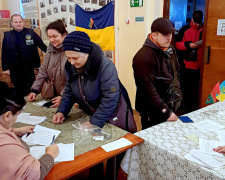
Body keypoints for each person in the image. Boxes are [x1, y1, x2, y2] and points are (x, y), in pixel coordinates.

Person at [53, 31, 132, 180]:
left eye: (75, 58)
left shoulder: (105, 66)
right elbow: (69, 91)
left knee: (113, 150)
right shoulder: (70, 65)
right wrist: (62, 111)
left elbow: (110, 98)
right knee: (93, 148)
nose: (71, 62)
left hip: (114, 114)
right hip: (91, 110)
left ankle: (111, 175)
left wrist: (94, 122)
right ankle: (95, 175)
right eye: (68, 57)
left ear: (87, 53)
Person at [0, 81, 59, 180]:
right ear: (7, 115)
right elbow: (34, 172)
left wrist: (15, 131)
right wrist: (50, 154)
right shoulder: (6, 148)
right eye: (17, 116)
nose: (15, 120)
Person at [133, 17, 182, 130]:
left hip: (169, 104)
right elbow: (148, 90)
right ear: (153, 36)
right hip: (152, 109)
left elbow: (176, 72)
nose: (169, 38)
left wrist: (175, 97)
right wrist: (165, 112)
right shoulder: (143, 57)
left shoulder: (170, 50)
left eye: (170, 34)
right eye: (165, 35)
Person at [1, 14, 47, 97]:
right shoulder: (7, 36)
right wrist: (5, 68)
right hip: (14, 69)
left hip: (29, 68)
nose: (18, 24)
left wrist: (53, 52)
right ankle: (22, 106)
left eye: (20, 21)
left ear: (23, 22)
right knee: (19, 91)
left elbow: (42, 45)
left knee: (30, 90)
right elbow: (4, 53)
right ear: (12, 23)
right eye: (16, 22)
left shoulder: (31, 33)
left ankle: (30, 107)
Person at [28, 20, 68, 107]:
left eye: (54, 36)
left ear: (64, 34)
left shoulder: (71, 51)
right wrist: (35, 90)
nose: (51, 40)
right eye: (49, 37)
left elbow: (74, 79)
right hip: (52, 95)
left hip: (67, 97)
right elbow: (43, 71)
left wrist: (64, 96)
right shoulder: (50, 50)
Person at [175, 10, 204, 112]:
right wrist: (188, 45)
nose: (197, 24)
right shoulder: (185, 29)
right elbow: (177, 44)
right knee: (185, 88)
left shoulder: (205, 30)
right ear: (192, 19)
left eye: (199, 22)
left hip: (200, 65)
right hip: (186, 65)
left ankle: (195, 109)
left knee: (196, 90)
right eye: (196, 21)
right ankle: (183, 109)